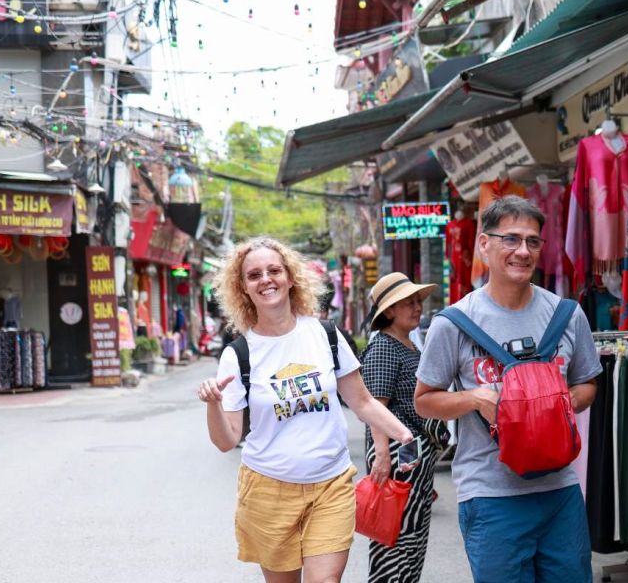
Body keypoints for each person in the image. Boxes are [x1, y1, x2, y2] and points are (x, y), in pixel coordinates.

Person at [197, 237, 414, 583]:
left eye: (274, 270)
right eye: (254, 275)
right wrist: (213, 406)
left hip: (330, 484)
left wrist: (402, 434)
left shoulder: (326, 335)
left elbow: (362, 401)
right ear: (243, 288)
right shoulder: (238, 354)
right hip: (268, 491)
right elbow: (228, 440)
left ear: (290, 277)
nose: (266, 279)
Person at [415, 196, 602, 582]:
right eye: (511, 239)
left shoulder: (567, 315)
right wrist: (473, 398)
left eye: (533, 242)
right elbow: (424, 401)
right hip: (490, 494)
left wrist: (559, 403)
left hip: (560, 491)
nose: (523, 251)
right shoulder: (453, 323)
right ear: (484, 244)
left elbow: (588, 384)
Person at [361, 272, 439, 583]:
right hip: (394, 457)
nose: (417, 307)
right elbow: (374, 406)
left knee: (412, 541)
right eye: (409, 302)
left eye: (418, 301)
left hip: (412, 459)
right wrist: (382, 455)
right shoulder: (383, 346)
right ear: (389, 311)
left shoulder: (407, 344)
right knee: (393, 543)